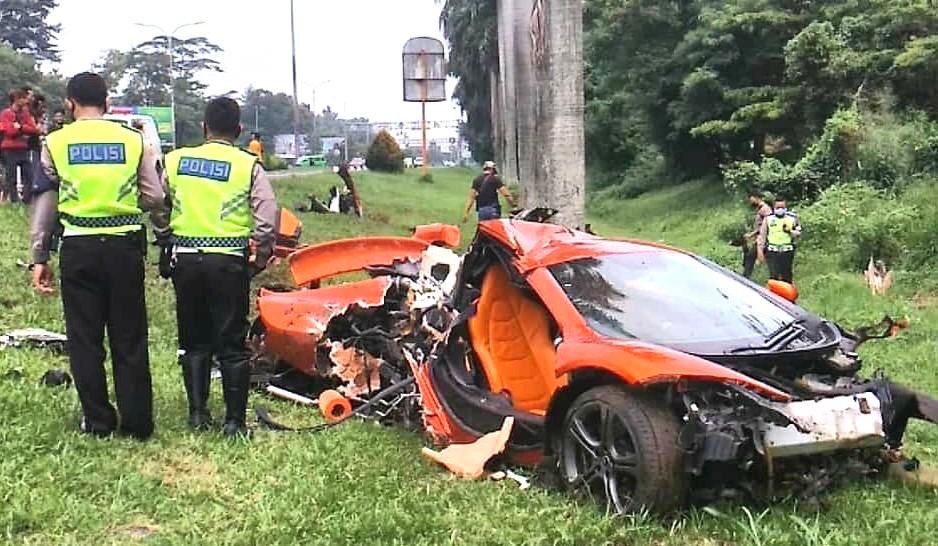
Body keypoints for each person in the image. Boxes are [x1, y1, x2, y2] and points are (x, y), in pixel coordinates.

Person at [30, 72, 168, 440]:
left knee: (85, 338)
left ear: (69, 104)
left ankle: (98, 421)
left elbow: (45, 203)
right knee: (129, 336)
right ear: (107, 104)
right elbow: (155, 197)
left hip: (78, 247)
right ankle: (137, 424)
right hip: (123, 246)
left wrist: (40, 256)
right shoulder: (133, 140)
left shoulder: (56, 143)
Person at [161, 97, 277, 437]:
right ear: (239, 131)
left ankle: (198, 414)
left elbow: (156, 199)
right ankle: (234, 422)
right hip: (228, 262)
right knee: (231, 342)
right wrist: (261, 253)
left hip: (186, 259)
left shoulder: (176, 160)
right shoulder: (247, 165)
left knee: (194, 339)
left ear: (203, 127)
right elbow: (267, 215)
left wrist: (165, 234)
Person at [0, 88, 39, 203]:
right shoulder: (6, 113)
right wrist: (21, 130)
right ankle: (14, 200)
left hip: (23, 148)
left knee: (28, 174)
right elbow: (9, 131)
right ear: (16, 99)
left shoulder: (25, 113)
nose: (25, 101)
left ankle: (27, 199)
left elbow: (34, 130)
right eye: (22, 98)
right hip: (9, 148)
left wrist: (20, 127)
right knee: (11, 177)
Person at [758, 199, 802, 284]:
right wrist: (760, 250)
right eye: (778, 207)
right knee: (774, 275)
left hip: (787, 251)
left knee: (787, 275)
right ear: (774, 208)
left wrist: (790, 231)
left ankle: (786, 295)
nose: (780, 209)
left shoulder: (792, 218)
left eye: (782, 207)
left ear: (786, 208)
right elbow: (762, 235)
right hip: (772, 251)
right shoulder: (768, 219)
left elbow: (798, 233)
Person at [742, 190, 772, 278]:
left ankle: (745, 277)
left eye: (750, 198)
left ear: (755, 197)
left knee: (750, 256)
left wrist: (752, 234)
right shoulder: (760, 209)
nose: (750, 201)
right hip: (760, 238)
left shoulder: (765, 209)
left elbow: (765, 225)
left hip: (764, 239)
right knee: (751, 256)